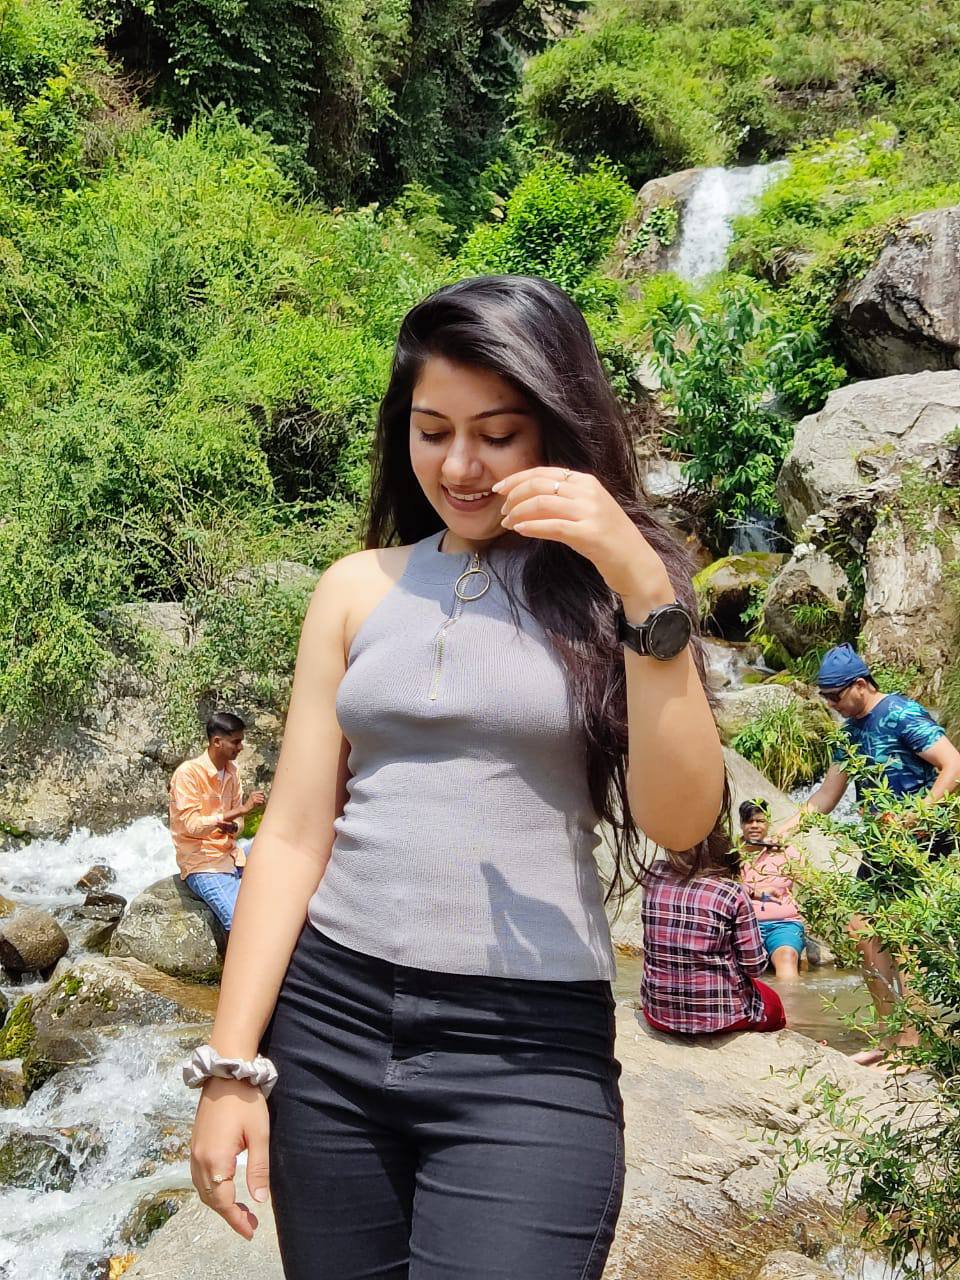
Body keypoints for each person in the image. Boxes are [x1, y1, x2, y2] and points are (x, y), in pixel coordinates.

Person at [184, 274, 726, 1279]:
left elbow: (681, 819)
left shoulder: (618, 595)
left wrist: (643, 584)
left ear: (558, 427)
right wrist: (230, 1066)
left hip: (527, 1051)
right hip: (329, 1022)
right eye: (432, 431)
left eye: (498, 433)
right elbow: (293, 836)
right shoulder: (355, 587)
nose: (461, 465)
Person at [781, 643, 960, 1064]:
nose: (831, 704)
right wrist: (785, 829)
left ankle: (914, 1043)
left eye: (836, 695)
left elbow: (952, 764)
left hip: (920, 845)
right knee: (861, 931)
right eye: (826, 697)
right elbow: (826, 796)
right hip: (881, 847)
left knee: (905, 939)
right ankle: (890, 1037)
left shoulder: (901, 714)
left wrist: (919, 814)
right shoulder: (850, 733)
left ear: (861, 684)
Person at [640, 829, 786, 1036]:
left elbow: (695, 886)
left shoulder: (653, 875)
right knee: (774, 1004)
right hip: (721, 1018)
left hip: (659, 1014)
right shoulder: (732, 893)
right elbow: (754, 967)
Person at [170, 712, 266, 931]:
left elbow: (239, 825)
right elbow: (192, 826)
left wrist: (234, 826)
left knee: (275, 846)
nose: (240, 747)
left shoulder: (232, 773)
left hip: (231, 854)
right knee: (240, 923)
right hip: (203, 863)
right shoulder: (188, 774)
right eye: (236, 742)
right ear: (217, 742)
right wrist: (240, 811)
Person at [738, 800, 805, 980]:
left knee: (787, 958)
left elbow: (809, 882)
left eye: (760, 821)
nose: (754, 825)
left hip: (784, 924)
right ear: (741, 824)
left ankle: (790, 999)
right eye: (749, 821)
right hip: (745, 925)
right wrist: (754, 891)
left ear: (768, 823)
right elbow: (724, 887)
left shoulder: (786, 850)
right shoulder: (732, 854)